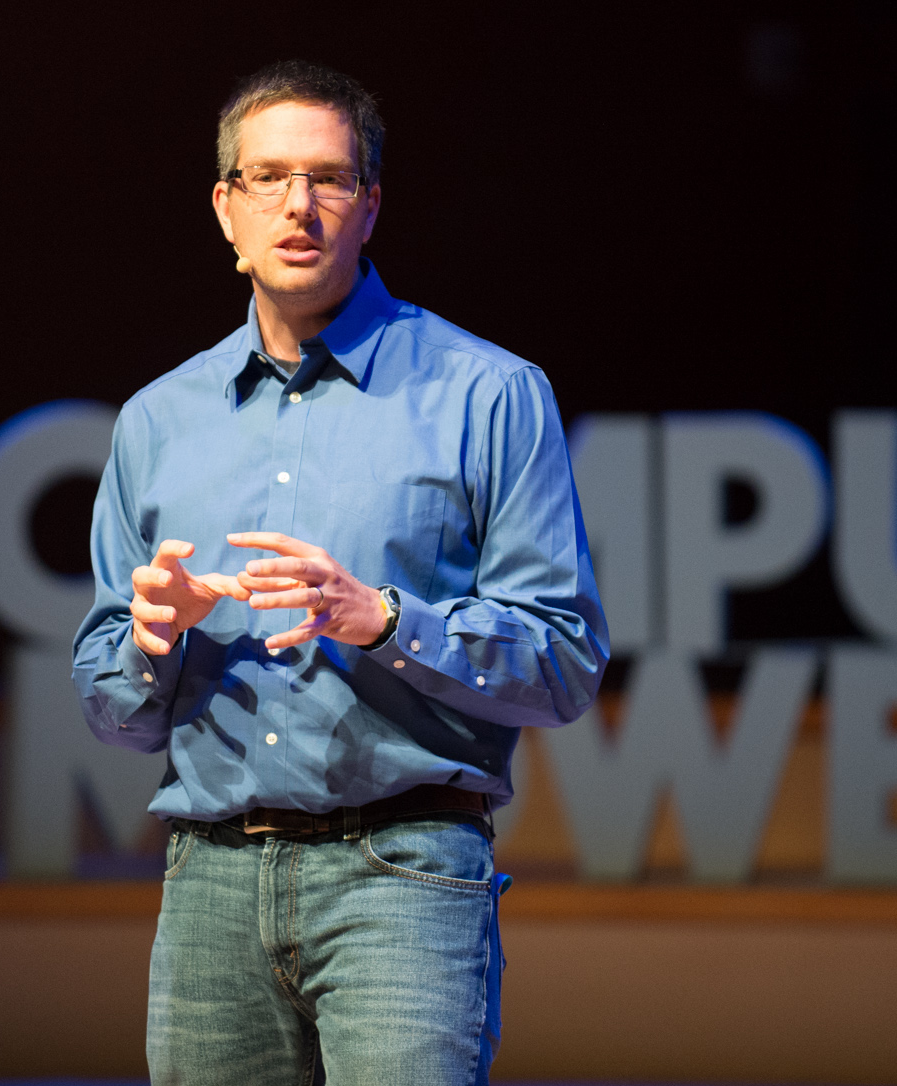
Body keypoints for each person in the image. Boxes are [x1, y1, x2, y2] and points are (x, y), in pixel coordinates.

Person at [72, 60, 608, 1085]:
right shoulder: (158, 422)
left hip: (400, 874)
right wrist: (149, 643)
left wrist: (381, 620)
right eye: (267, 177)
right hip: (209, 884)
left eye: (327, 179)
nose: (297, 204)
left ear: (370, 206)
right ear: (226, 209)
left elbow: (566, 664)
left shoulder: (488, 395)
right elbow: (111, 706)